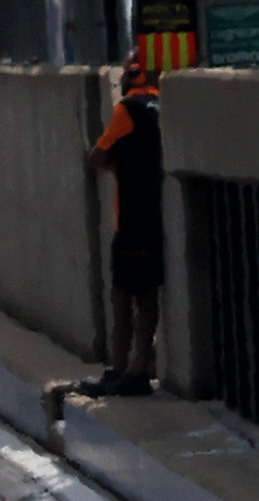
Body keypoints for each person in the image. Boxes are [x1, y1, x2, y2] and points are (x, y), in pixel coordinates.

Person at [92, 64, 166, 397]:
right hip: (157, 213)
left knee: (122, 298)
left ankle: (122, 368)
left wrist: (116, 166)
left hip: (131, 216)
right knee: (148, 295)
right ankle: (140, 365)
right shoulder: (166, 104)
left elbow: (98, 155)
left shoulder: (127, 108)